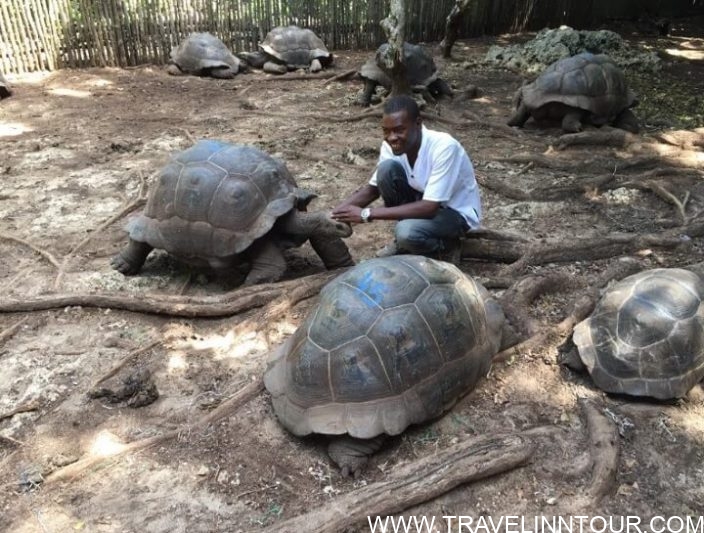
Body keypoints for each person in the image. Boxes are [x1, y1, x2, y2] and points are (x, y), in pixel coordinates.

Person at [331, 94, 481, 261]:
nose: (392, 138)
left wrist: (366, 214)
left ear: (418, 123)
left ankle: (445, 248)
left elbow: (429, 207)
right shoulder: (391, 145)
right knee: (386, 171)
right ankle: (407, 239)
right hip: (422, 200)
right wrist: (332, 215)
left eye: (399, 130)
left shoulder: (444, 147)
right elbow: (372, 190)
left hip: (455, 213)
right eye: (386, 131)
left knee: (407, 232)